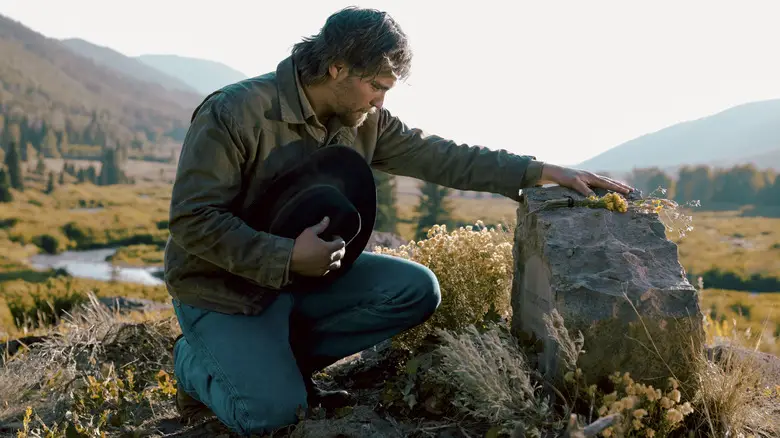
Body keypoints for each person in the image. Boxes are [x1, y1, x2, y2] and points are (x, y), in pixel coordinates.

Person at [164, 6, 633, 436]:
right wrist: (287, 255)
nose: (381, 101)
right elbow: (193, 220)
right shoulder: (233, 112)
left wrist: (542, 171)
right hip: (223, 289)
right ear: (337, 68)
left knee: (415, 290)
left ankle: (270, 362)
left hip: (303, 280)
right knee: (271, 416)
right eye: (378, 86)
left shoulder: (365, 117)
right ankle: (194, 363)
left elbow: (443, 157)